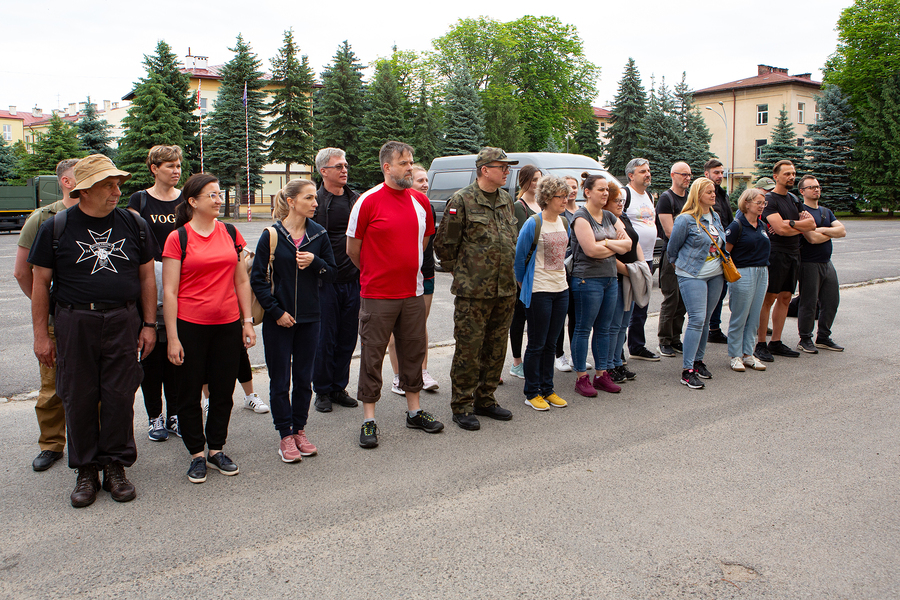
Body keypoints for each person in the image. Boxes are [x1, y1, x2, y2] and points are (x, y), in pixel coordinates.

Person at [29, 154, 155, 507]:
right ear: (84, 190)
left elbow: (146, 276)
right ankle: (85, 469)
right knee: (78, 395)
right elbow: (40, 283)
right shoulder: (56, 227)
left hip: (123, 321)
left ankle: (115, 466)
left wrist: (148, 324)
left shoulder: (134, 224)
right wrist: (41, 335)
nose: (117, 191)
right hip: (74, 322)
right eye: (108, 185)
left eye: (117, 184)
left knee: (119, 395)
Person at [346, 141, 443, 448]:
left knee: (413, 353)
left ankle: (414, 412)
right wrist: (377, 272)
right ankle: (369, 420)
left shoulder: (420, 202)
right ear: (387, 167)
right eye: (403, 163)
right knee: (372, 356)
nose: (410, 168)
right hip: (377, 295)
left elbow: (424, 241)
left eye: (411, 162)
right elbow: (353, 249)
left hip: (412, 293)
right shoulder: (367, 201)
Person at [162, 173, 257, 484]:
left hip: (227, 325)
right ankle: (196, 454)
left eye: (220, 194)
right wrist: (173, 337)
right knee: (188, 393)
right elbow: (170, 292)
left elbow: (242, 280)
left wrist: (247, 321)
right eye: (212, 196)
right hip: (190, 327)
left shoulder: (231, 232)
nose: (219, 200)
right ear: (193, 202)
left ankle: (216, 449)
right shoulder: (179, 238)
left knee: (222, 392)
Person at [433, 147, 519, 431]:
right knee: (469, 349)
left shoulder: (506, 199)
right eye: (502, 166)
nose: (507, 171)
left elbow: (511, 239)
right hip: (473, 292)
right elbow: (445, 244)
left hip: (505, 289)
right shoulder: (462, 200)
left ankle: (486, 398)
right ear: (485, 169)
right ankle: (462, 404)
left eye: (508, 167)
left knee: (496, 347)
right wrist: (463, 274)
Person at [251, 179, 336, 462]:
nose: (316, 203)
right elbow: (258, 281)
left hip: (310, 319)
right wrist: (276, 312)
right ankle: (284, 435)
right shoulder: (271, 235)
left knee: (303, 379)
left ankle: (299, 429)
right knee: (279, 380)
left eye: (315, 199)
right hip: (279, 320)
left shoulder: (319, 234)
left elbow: (332, 274)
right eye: (310, 198)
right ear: (291, 201)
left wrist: (317, 262)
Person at [14, 158, 79, 472]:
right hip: (57, 320)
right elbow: (21, 272)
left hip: (88, 320)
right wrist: (48, 305)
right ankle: (52, 445)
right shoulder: (43, 218)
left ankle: (93, 444)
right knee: (52, 387)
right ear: (66, 181)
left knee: (93, 386)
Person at [127, 146, 185, 441]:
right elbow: (133, 243)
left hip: (181, 284)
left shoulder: (186, 200)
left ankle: (175, 413)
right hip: (150, 283)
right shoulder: (139, 200)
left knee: (175, 352)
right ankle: (155, 417)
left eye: (178, 165)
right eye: (169, 165)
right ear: (154, 168)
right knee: (150, 354)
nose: (175, 170)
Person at [569, 174, 632, 397]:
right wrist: (615, 245)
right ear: (587, 192)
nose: (606, 194)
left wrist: (605, 243)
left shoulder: (608, 215)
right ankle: (581, 378)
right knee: (583, 329)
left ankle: (602, 374)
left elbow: (628, 244)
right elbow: (590, 251)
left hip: (609, 278)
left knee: (604, 329)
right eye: (600, 190)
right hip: (587, 280)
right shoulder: (581, 217)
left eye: (607, 190)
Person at [513, 176, 571, 410]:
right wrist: (523, 286)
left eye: (566, 195)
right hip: (539, 290)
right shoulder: (533, 223)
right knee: (537, 343)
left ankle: (548, 389)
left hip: (561, 289)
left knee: (551, 343)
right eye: (560, 196)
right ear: (547, 198)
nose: (565, 200)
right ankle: (532, 391)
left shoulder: (564, 222)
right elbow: (519, 259)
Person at [311, 148, 360, 413]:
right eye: (338, 166)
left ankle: (339, 387)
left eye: (346, 165)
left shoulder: (355, 200)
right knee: (324, 340)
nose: (344, 169)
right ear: (323, 171)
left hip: (353, 281)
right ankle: (322, 391)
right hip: (324, 284)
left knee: (346, 338)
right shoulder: (315, 201)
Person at [667, 177, 726, 390]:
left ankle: (699, 361)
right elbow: (672, 249)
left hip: (716, 274)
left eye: (714, 192)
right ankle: (687, 370)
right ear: (698, 194)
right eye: (709, 192)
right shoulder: (685, 219)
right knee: (696, 319)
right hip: (692, 274)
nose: (713, 195)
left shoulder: (715, 216)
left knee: (706, 319)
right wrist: (679, 267)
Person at [755, 160, 816, 362]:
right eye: (787, 174)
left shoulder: (793, 199)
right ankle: (761, 343)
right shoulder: (769, 200)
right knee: (769, 298)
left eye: (793, 173)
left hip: (793, 253)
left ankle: (776, 342)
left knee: (785, 298)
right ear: (776, 177)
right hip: (775, 254)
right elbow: (779, 229)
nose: (791, 177)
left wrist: (790, 224)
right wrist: (798, 225)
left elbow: (811, 224)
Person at [389, 164, 439, 394]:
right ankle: (398, 376)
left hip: (425, 274)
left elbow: (427, 242)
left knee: (419, 327)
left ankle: (422, 371)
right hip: (397, 277)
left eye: (427, 180)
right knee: (394, 330)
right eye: (420, 180)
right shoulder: (399, 204)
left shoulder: (427, 206)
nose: (425, 184)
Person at [796, 175, 846, 353]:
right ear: (802, 191)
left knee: (832, 301)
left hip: (827, 263)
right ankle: (805, 339)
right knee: (808, 303)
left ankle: (823, 337)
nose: (816, 190)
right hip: (809, 263)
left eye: (818, 187)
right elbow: (812, 239)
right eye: (811, 187)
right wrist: (829, 232)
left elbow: (842, 231)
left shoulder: (826, 211)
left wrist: (820, 229)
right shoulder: (801, 211)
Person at [724, 188, 770, 372]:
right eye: (758, 203)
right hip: (743, 272)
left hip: (762, 271)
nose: (761, 206)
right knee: (740, 315)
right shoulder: (736, 226)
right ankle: (735, 355)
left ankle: (748, 353)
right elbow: (726, 252)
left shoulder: (762, 225)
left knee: (754, 315)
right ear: (747, 203)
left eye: (763, 203)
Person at [604, 181, 645, 384]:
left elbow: (633, 243)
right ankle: (609, 365)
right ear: (606, 202)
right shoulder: (607, 222)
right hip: (618, 277)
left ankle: (618, 362)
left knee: (623, 325)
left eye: (622, 200)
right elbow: (612, 253)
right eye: (616, 201)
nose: (620, 204)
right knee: (614, 324)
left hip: (631, 276)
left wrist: (641, 267)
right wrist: (629, 271)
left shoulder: (623, 219)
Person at [623, 158, 660, 362]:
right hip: (630, 260)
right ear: (631, 175)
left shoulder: (648, 196)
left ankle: (637, 346)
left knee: (642, 306)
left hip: (647, 258)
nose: (648, 174)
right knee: (625, 307)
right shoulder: (624, 194)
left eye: (648, 170)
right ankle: (617, 351)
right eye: (642, 171)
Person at [508, 165, 543, 379]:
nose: (538, 183)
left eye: (540, 178)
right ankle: (516, 362)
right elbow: (518, 241)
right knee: (519, 318)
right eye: (534, 179)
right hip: (524, 272)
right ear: (525, 181)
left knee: (536, 318)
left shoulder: (542, 204)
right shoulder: (519, 207)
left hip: (542, 271)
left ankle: (533, 359)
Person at [655, 162, 690, 358]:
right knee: (671, 298)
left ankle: (676, 338)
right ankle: (664, 340)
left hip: (689, 256)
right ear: (673, 175)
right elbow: (670, 231)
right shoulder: (666, 199)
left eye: (689, 175)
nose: (687, 178)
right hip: (672, 254)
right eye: (683, 174)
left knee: (684, 300)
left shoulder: (690, 198)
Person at [704, 159, 735, 344]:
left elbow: (728, 222)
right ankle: (705, 328)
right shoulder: (703, 194)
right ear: (706, 173)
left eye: (722, 172)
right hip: (709, 251)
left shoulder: (722, 194)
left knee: (720, 292)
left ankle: (714, 328)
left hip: (723, 250)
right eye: (716, 172)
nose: (720, 176)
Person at [554, 176, 579, 372]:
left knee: (575, 315)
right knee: (560, 316)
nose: (572, 191)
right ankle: (558, 355)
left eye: (575, 187)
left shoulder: (581, 212)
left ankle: (573, 355)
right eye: (568, 187)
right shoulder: (561, 215)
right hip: (562, 269)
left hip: (577, 271)